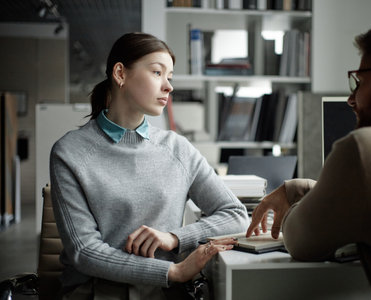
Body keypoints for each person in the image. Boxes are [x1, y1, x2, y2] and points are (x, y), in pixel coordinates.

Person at [247, 16, 371, 299]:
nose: (351, 99)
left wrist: (300, 200)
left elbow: (300, 241)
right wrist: (307, 188)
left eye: (359, 81)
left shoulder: (368, 149)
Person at [50, 32, 249, 299]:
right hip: (98, 291)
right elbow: (84, 251)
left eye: (170, 77)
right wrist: (172, 272)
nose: (168, 86)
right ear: (120, 74)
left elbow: (235, 214)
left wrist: (175, 237)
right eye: (157, 72)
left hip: (163, 293)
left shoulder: (178, 149)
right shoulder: (70, 152)